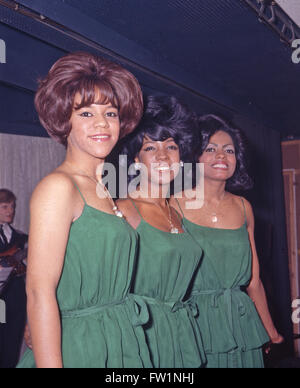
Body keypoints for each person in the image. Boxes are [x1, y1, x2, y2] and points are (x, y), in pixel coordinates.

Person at [17, 52, 152, 368]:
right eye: (87, 114)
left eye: (110, 113)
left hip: (118, 338)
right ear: (65, 120)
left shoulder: (105, 189)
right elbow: (39, 292)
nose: (102, 124)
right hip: (79, 347)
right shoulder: (59, 187)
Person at [171, 114, 283, 368]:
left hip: (242, 326)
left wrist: (270, 331)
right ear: (195, 157)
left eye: (229, 150)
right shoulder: (173, 205)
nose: (221, 156)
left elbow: (254, 281)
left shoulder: (244, 207)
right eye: (210, 149)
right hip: (196, 328)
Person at [117, 95, 206, 368]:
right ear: (136, 158)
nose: (164, 156)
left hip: (179, 334)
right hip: (140, 336)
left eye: (171, 146)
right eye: (151, 148)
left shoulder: (176, 213)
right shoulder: (124, 209)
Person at [0, 189, 27, 368]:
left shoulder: (21, 237)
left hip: (17, 299)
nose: (11, 210)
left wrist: (23, 267)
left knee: (13, 345)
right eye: (5, 206)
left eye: (12, 206)